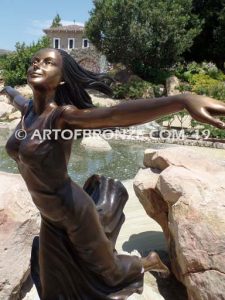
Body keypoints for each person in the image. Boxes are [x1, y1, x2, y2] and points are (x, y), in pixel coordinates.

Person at [1, 48, 225, 300]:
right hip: (50, 217)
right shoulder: (28, 109)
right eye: (35, 61)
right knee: (53, 288)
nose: (37, 66)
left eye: (48, 63)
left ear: (62, 78)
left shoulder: (62, 117)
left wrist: (181, 101)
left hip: (74, 212)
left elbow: (114, 114)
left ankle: (148, 262)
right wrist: (6, 89)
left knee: (112, 272)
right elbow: (12, 96)